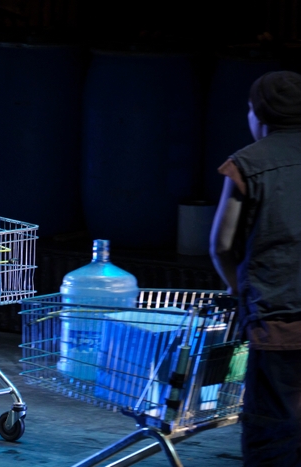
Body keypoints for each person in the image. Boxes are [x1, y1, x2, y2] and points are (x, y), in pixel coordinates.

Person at [210, 70, 301, 466]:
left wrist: (236, 288)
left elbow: (221, 245)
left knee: (274, 429)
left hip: (276, 319)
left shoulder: (247, 164)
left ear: (260, 114)